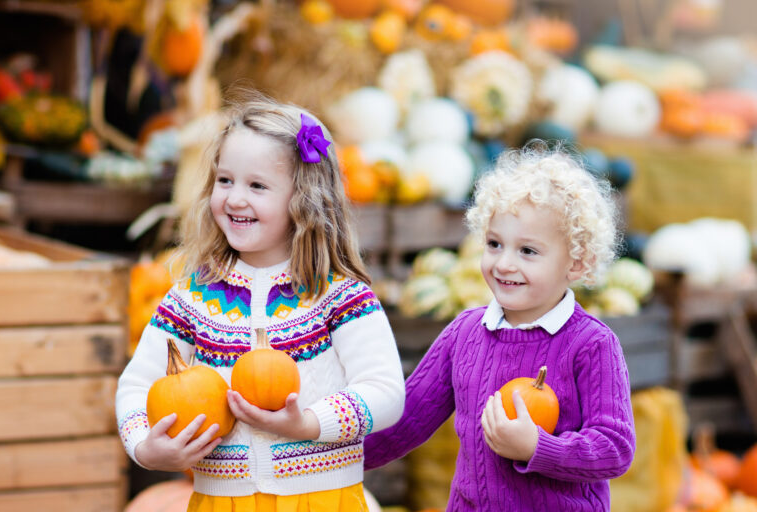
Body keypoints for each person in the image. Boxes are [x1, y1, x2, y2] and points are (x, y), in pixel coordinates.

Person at [116, 90, 405, 512]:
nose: (234, 198)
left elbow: (385, 391)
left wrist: (308, 423)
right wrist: (145, 446)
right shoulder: (193, 297)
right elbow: (137, 383)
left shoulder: (339, 295)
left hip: (320, 499)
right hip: (223, 502)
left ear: (303, 200)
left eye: (257, 186)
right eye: (225, 180)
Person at [364, 146, 635, 511]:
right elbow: (406, 421)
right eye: (494, 244)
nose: (504, 263)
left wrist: (538, 448)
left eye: (527, 251)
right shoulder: (464, 333)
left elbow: (614, 448)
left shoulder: (592, 344)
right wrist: (323, 452)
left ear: (577, 263)